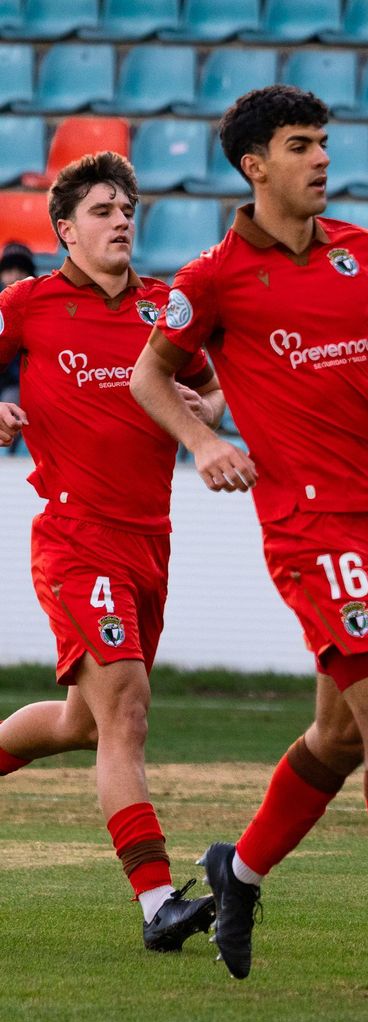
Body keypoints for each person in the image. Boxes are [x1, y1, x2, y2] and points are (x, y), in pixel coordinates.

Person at [130, 86, 368, 1001]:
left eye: (324, 143)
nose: (321, 159)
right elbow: (151, 377)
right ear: (254, 165)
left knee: (340, 733)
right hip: (308, 526)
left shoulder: (361, 252)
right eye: (301, 145)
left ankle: (241, 871)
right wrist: (207, 443)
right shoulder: (212, 277)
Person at [0, 151, 224, 952]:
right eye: (102, 210)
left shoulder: (165, 309)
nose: (121, 219)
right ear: (64, 229)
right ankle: (157, 899)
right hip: (74, 539)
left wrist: (208, 403)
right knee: (126, 710)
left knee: (82, 724)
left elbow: (214, 385)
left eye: (127, 208)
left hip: (149, 542)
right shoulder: (26, 305)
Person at [0, 243, 34, 409]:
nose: (15, 275)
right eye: (9, 270)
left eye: (21, 270)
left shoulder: (37, 306)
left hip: (23, 383)